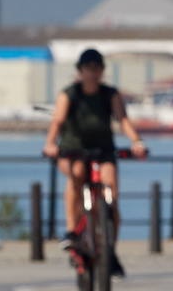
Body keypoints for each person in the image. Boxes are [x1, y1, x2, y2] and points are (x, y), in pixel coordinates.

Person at [42, 48, 148, 276]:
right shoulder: (69, 94)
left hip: (103, 150)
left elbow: (123, 120)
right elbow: (57, 122)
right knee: (77, 174)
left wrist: (137, 141)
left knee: (111, 192)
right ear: (80, 71)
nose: (92, 74)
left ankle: (110, 249)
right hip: (74, 149)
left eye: (97, 69)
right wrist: (50, 144)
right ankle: (72, 230)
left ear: (102, 71)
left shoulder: (110, 94)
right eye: (88, 69)